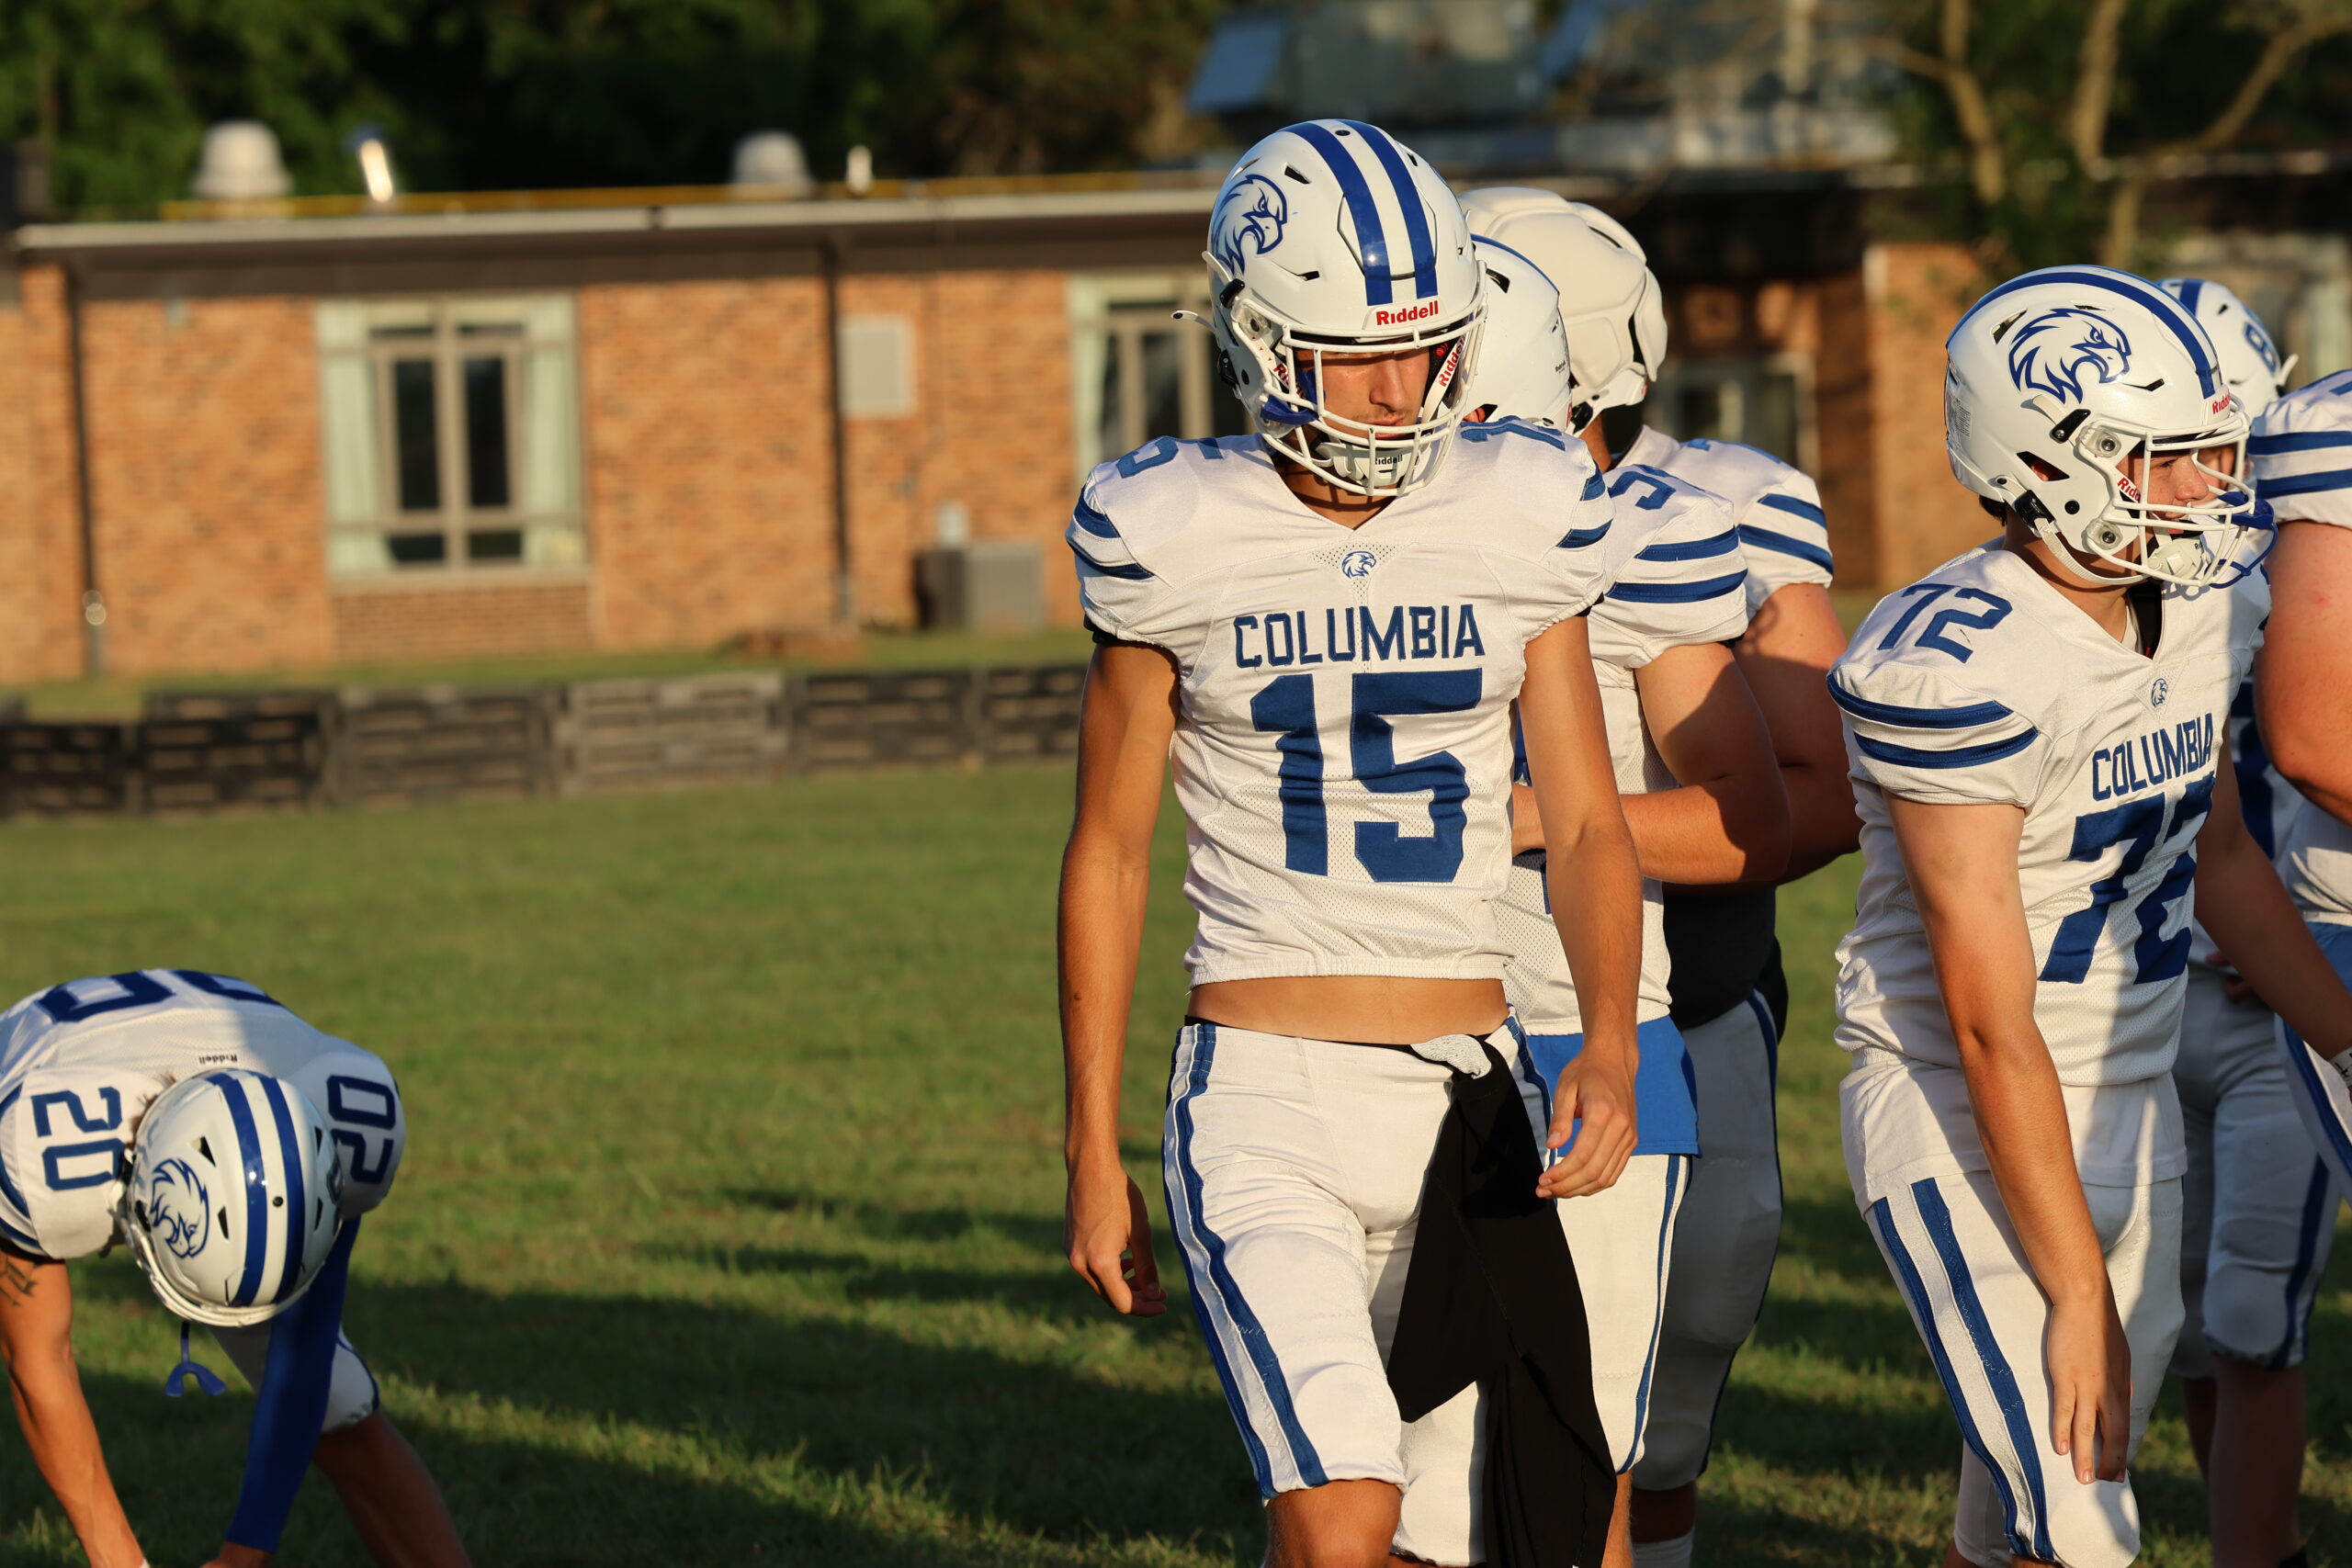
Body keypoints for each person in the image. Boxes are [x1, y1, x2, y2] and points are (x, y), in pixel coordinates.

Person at [1058, 118, 1645, 1568]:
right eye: (1352, 356)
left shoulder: (1519, 504)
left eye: (1425, 348)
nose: (1398, 390)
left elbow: (1584, 814)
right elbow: (1109, 851)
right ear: (1259, 341)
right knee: (1342, 1515)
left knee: (1455, 1538)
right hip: (1268, 1092)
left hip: (1472, 1094)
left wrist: (1608, 1037)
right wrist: (1087, 1138)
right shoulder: (1173, 526)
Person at [1831, 263, 2352, 1568]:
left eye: (2210, 452)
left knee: (2020, 1527)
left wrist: (2348, 1038)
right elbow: (1983, 1015)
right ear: (2047, 462)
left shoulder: (2202, 604)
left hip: (2130, 1087)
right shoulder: (1956, 659)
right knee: (2084, 1521)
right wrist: (2073, 1286)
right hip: (1960, 1102)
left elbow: (2220, 854)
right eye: (2167, 458)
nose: (2210, 487)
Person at [1460, 187, 1856, 1568]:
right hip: (1448, 992)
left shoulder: (1718, 506)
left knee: (1672, 1368)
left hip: (1683, 995)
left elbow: (1809, 798)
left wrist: (1541, 821)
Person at [0, 967, 469, 1568]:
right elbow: (39, 1360)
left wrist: (247, 1549)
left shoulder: (343, 1125)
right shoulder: (32, 1150)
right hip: (45, 1058)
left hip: (240, 1053)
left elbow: (305, 1352)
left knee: (341, 1404)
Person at [2155, 276, 2328, 1568]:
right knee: (2185, 1322)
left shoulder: (2312, 557)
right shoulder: (2081, 584)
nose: (2192, 477)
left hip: (2283, 986)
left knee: (2253, 1312)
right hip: (2149, 986)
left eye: (2211, 444)